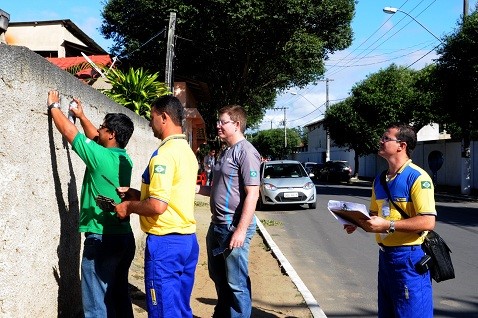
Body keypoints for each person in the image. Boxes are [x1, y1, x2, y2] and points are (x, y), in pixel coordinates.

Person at [47, 90, 136, 318]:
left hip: (101, 239)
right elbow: (96, 140)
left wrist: (54, 106)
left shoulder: (100, 157)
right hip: (124, 238)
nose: (99, 129)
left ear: (112, 133)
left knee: (96, 306)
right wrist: (82, 115)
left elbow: (70, 132)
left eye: (103, 127)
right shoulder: (124, 159)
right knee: (118, 298)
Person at [114, 95, 199, 318]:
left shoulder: (163, 156)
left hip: (165, 243)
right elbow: (173, 194)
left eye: (152, 118)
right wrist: (137, 194)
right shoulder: (187, 152)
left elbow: (158, 205)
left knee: (162, 311)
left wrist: (128, 207)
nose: (150, 123)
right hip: (187, 240)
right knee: (180, 309)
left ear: (164, 117)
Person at [344, 123, 436, 318]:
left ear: (401, 146)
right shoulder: (379, 180)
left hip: (410, 258)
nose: (381, 141)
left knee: (411, 314)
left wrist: (388, 225)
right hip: (386, 258)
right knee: (388, 313)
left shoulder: (418, 178)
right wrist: (357, 222)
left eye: (386, 138)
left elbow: (427, 222)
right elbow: (374, 216)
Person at [196, 105, 261, 318]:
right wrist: (193, 188)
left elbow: (252, 193)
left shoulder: (247, 152)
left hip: (233, 227)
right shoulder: (226, 151)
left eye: (223, 122)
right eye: (218, 121)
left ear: (237, 124)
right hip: (217, 225)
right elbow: (216, 189)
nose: (218, 125)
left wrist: (240, 231)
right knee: (219, 276)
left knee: (237, 282)